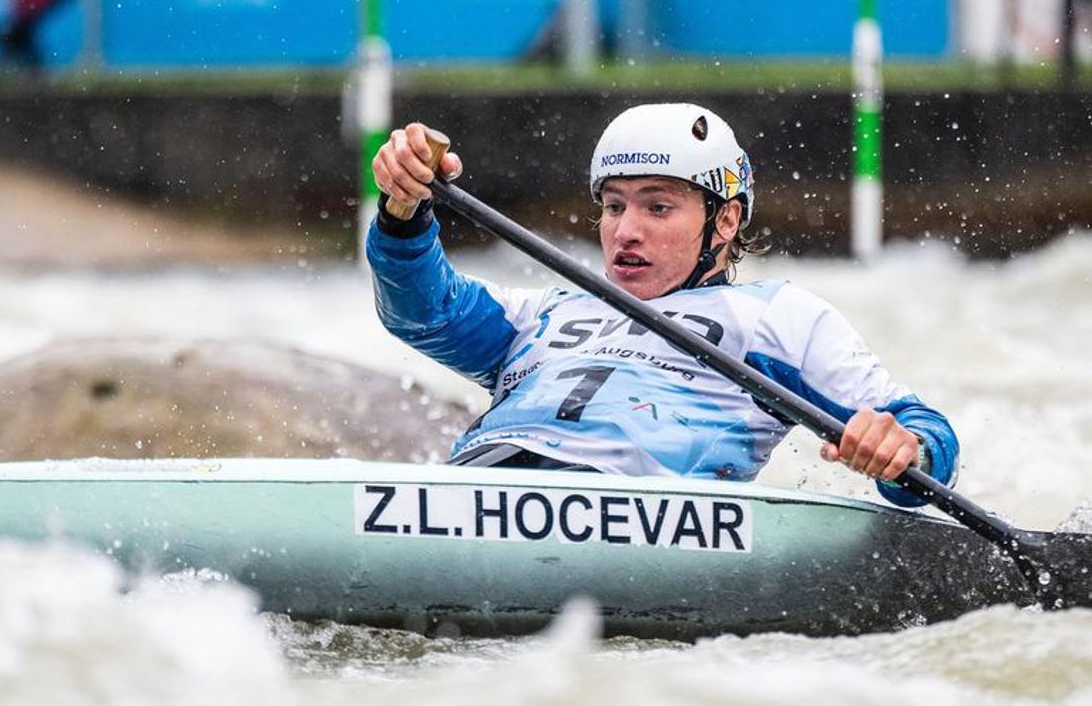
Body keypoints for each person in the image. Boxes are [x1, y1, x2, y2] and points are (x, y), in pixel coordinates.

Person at [366, 103, 958, 507]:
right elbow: (422, 311)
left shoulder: (778, 318)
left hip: (642, 510)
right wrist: (403, 209)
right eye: (615, 206)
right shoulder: (542, 310)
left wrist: (903, 452)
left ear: (724, 221)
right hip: (478, 485)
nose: (625, 231)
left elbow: (923, 436)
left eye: (657, 207)